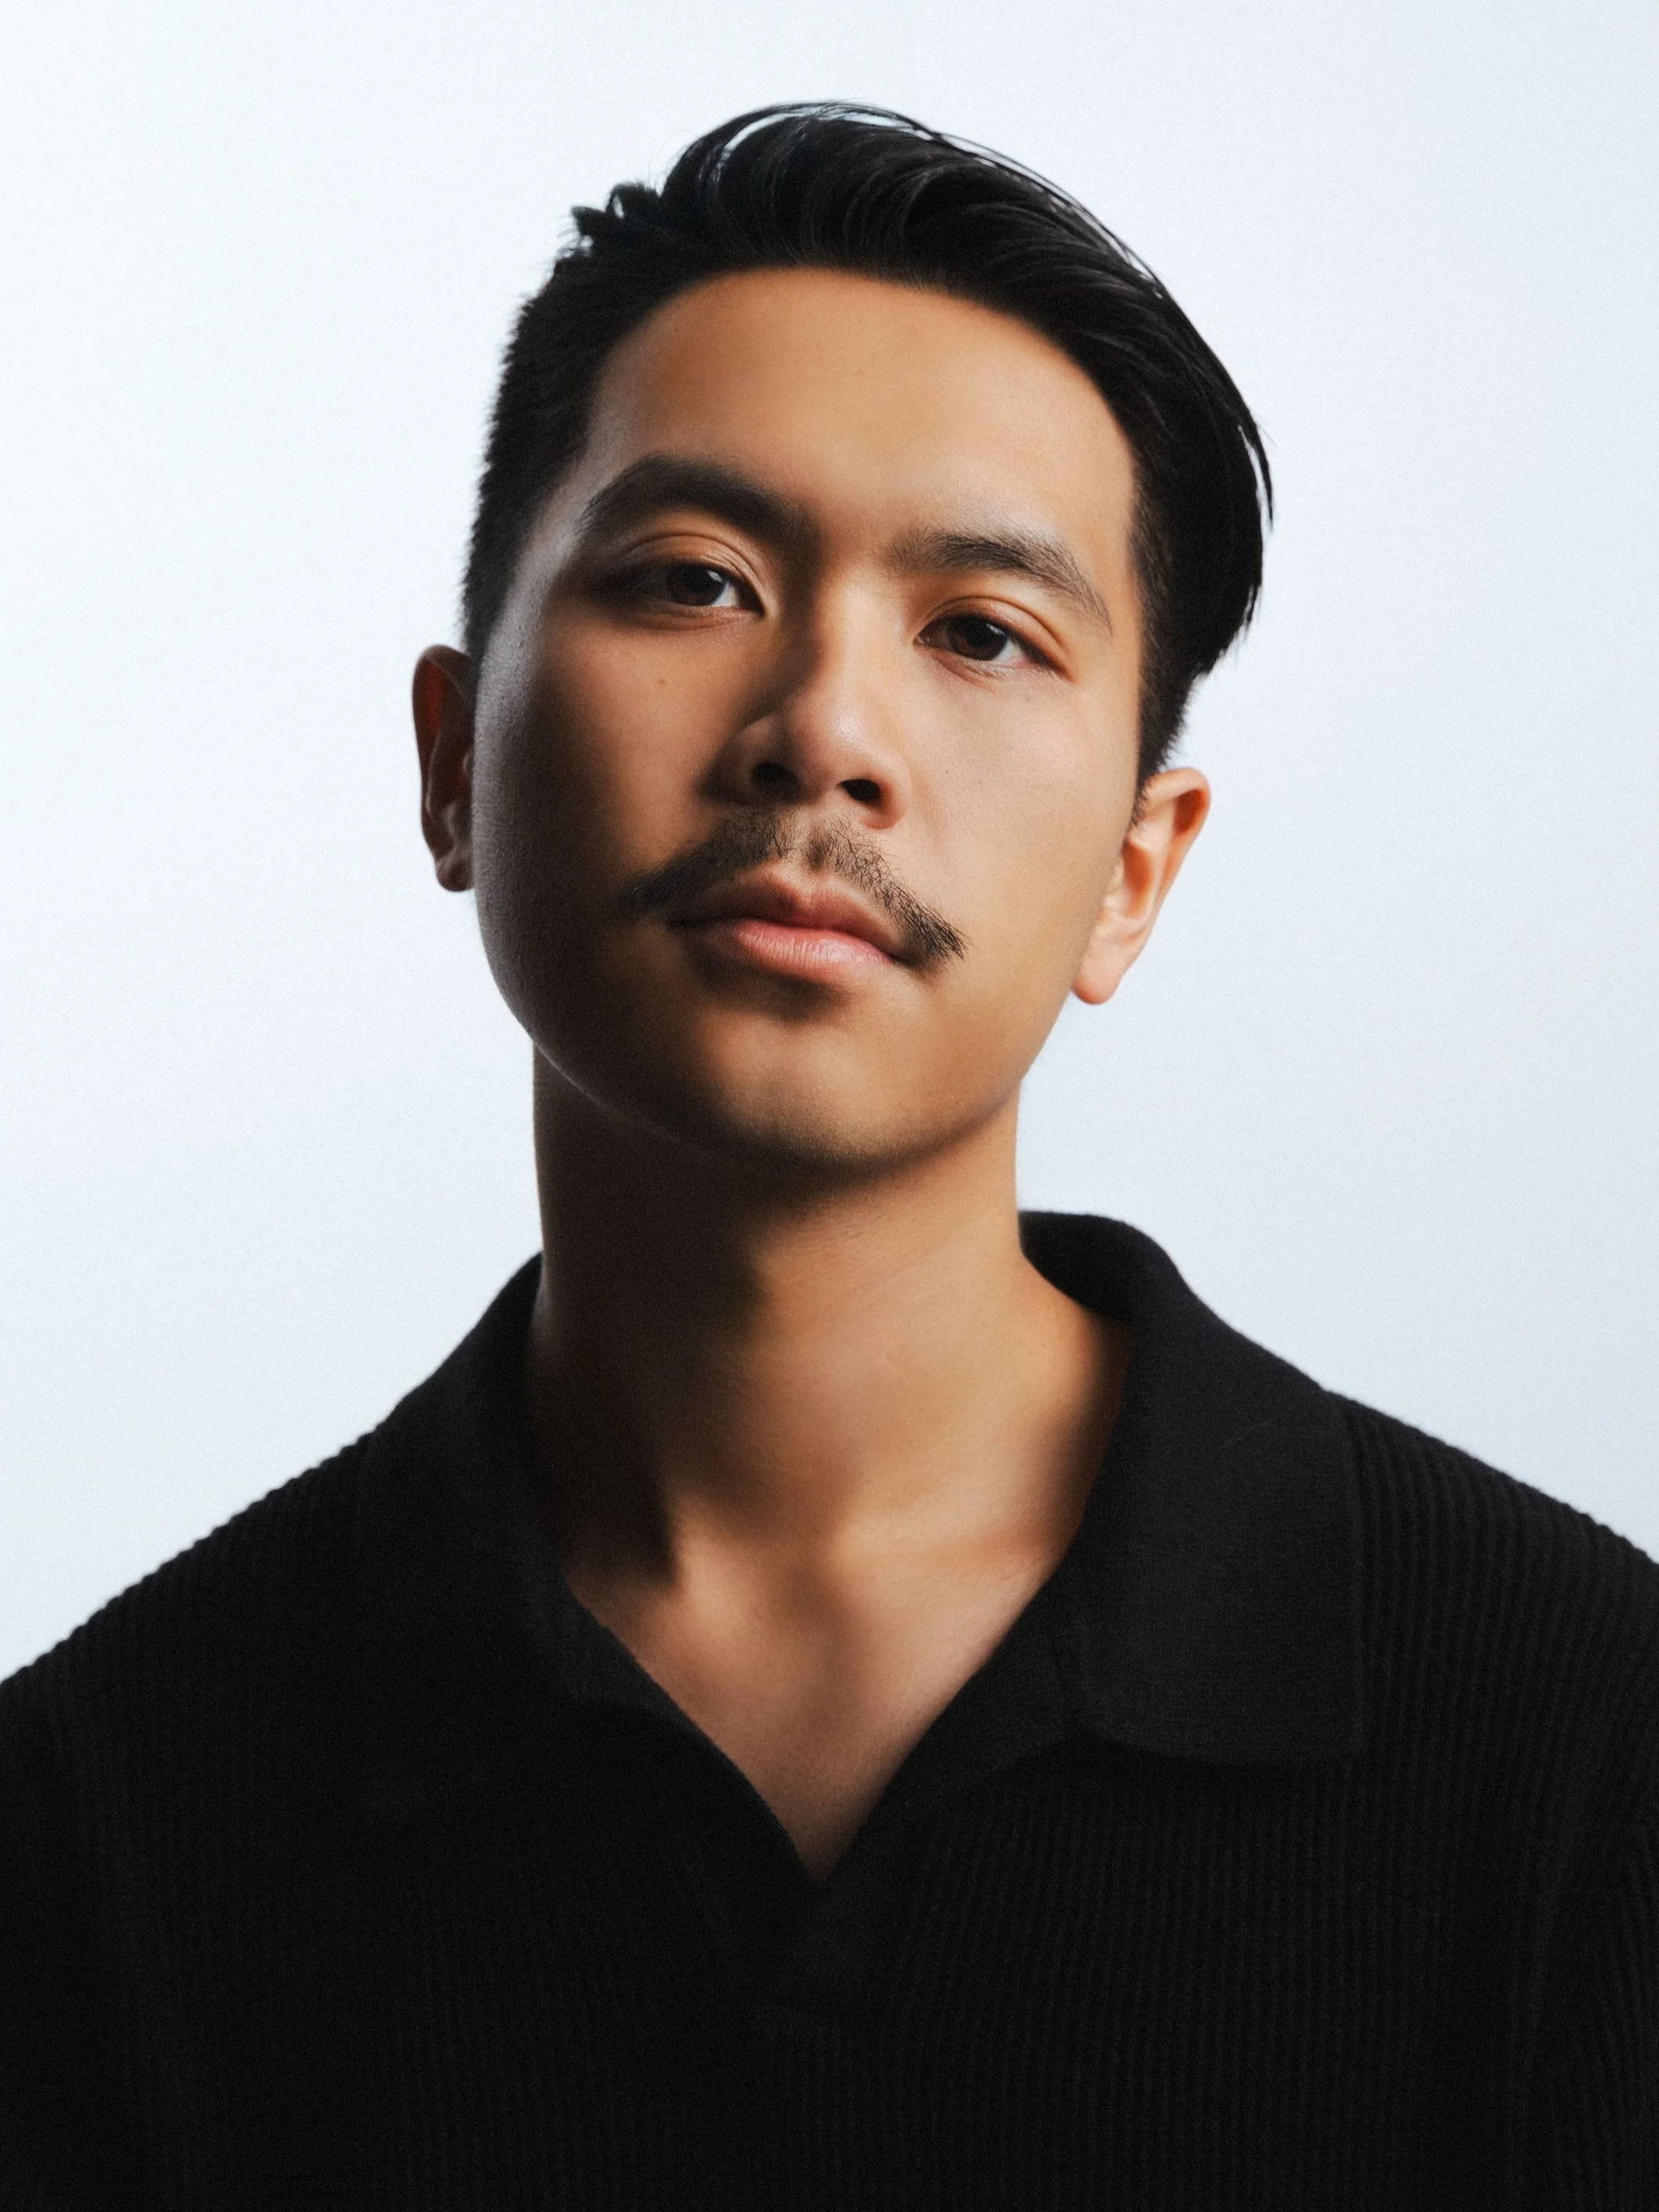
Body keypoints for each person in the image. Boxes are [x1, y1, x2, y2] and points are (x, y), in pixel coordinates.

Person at [3, 102, 1655, 2210]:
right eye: (694, 581)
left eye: (980, 631)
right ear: (450, 764)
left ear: (1133, 875)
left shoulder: (1585, 1745)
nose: (822, 731)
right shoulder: (101, 1818)